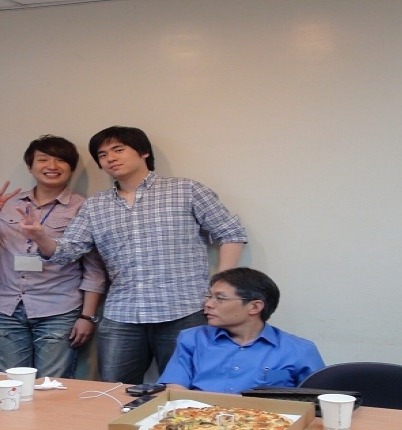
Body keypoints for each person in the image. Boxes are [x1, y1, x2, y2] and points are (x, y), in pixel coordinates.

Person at [19, 126, 247, 384]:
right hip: (122, 314)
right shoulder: (95, 205)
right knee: (113, 391)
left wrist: (219, 289)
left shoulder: (186, 190)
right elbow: (67, 252)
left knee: (188, 389)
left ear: (144, 152)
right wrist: (40, 236)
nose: (110, 158)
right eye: (102, 155)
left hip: (184, 309)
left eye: (118, 150)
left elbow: (231, 232)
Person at [0, 135, 107, 378]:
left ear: (71, 168)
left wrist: (87, 316)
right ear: (30, 166)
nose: (52, 166)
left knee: (51, 386)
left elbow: (94, 269)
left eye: (60, 160)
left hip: (59, 310)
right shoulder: (7, 203)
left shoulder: (83, 207)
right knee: (12, 383)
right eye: (43, 159)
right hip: (7, 308)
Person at [158, 267, 325, 393]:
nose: (208, 304)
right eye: (209, 297)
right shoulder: (192, 339)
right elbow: (174, 388)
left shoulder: (299, 350)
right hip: (199, 420)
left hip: (266, 424)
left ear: (254, 307)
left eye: (220, 298)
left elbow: (318, 402)